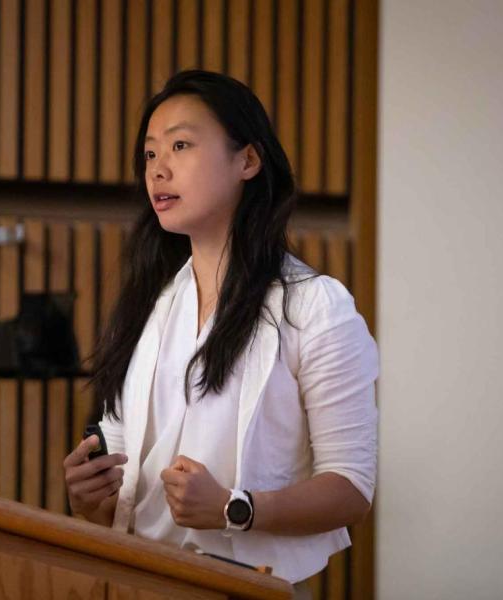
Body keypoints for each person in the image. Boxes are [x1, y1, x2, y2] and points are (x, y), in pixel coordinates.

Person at [62, 70, 379, 590]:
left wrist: (234, 508)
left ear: (247, 160)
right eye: (149, 153)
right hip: (137, 581)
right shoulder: (149, 304)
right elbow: (125, 493)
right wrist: (91, 497)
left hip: (248, 588)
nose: (158, 168)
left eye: (180, 145)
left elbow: (351, 490)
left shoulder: (316, 307)